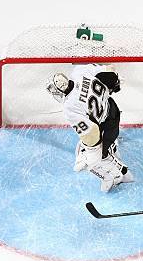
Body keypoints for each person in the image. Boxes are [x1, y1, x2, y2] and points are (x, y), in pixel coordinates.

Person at [46, 64, 133, 192]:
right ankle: (102, 149)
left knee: (96, 161)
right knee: (88, 148)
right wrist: (116, 80)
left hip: (105, 126)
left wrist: (93, 152)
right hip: (112, 109)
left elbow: (91, 133)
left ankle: (120, 175)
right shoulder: (79, 72)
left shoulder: (69, 107)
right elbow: (107, 71)